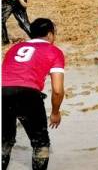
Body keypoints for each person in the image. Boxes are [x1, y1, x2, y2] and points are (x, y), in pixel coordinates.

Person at [2, 18, 65, 170]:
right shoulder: (54, 51)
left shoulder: (14, 48)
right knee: (40, 144)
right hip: (28, 95)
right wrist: (55, 112)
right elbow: (57, 90)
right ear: (50, 34)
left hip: (1, 93)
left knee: (4, 141)